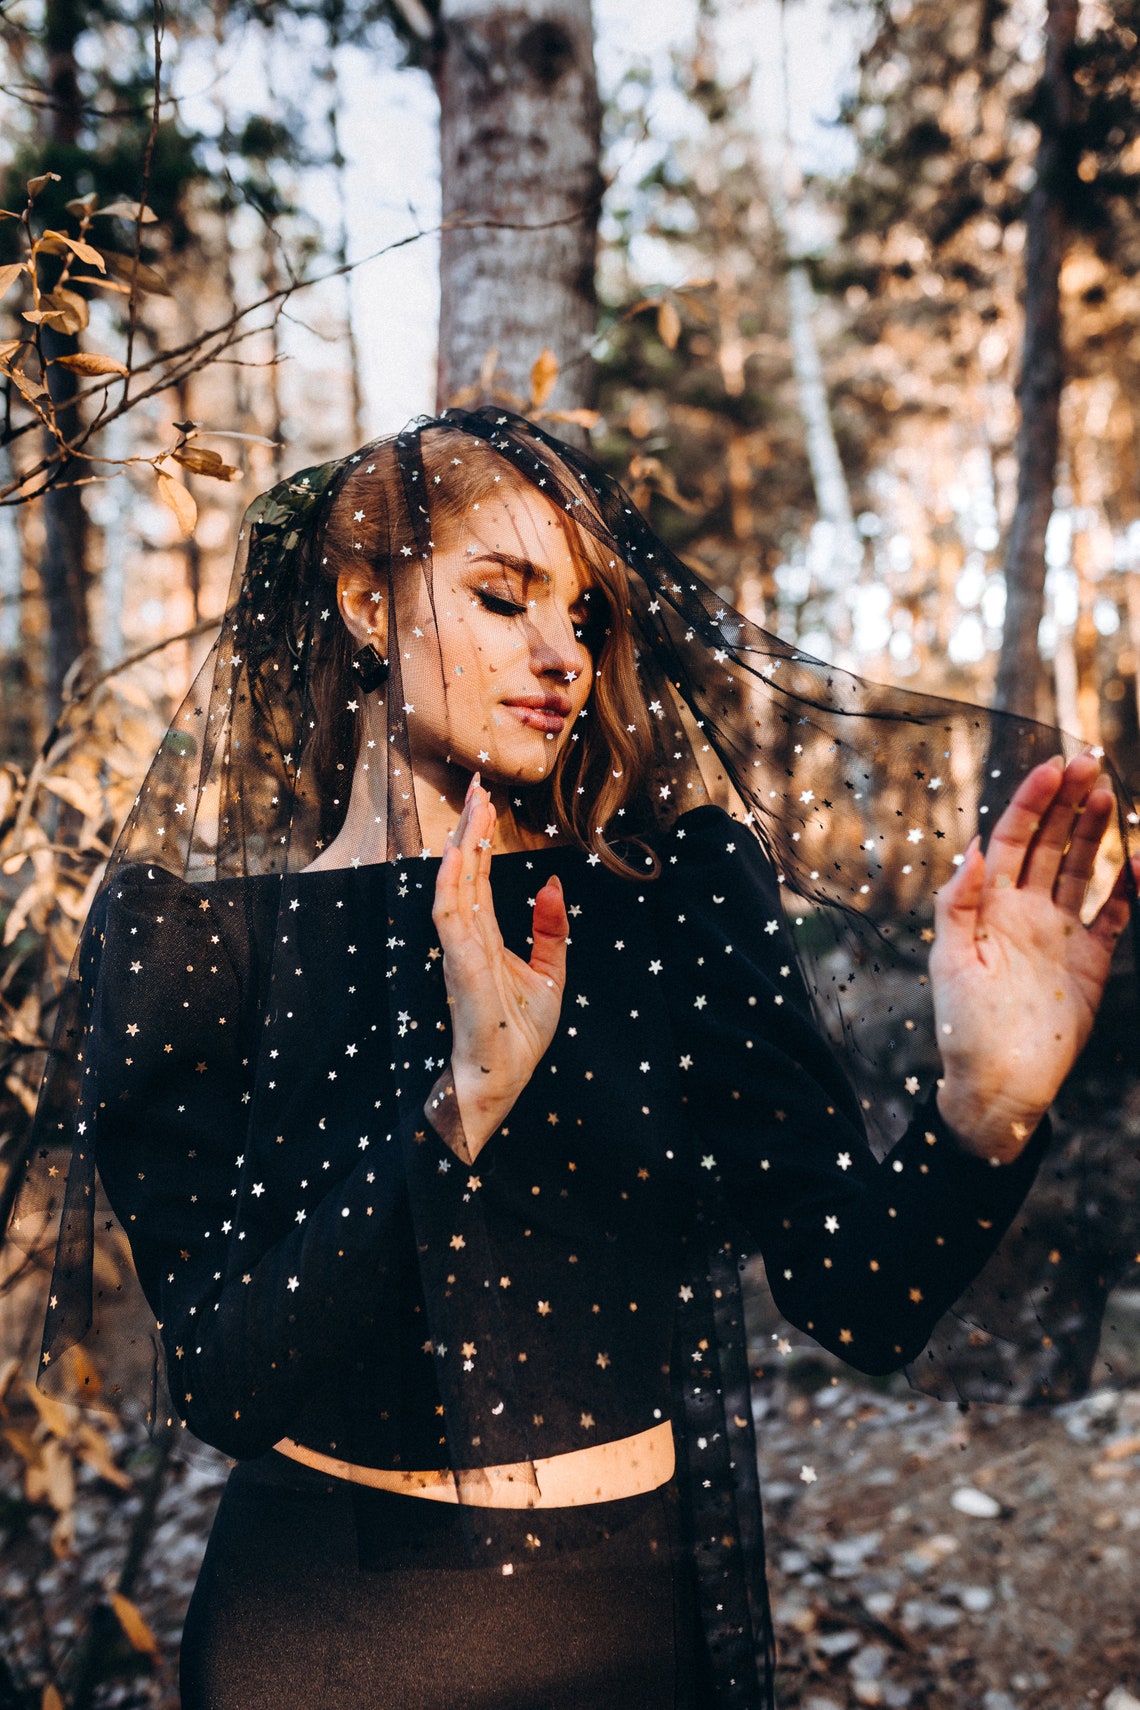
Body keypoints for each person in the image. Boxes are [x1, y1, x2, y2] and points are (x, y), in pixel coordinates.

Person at [11, 409, 1137, 1710]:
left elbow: (860, 1297)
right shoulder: (198, 948)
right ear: (367, 602)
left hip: (621, 1629)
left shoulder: (675, 899)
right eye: (503, 597)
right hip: (318, 1634)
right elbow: (222, 1376)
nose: (561, 653)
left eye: (590, 616)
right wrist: (464, 1103)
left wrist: (986, 1105)